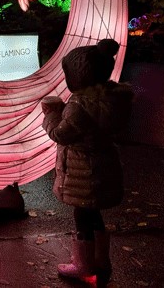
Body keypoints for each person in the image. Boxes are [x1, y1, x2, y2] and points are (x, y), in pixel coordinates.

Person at [41, 39, 134, 285]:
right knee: (94, 215)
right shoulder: (111, 99)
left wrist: (52, 114)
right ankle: (101, 261)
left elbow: (60, 134)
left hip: (83, 171)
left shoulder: (79, 106)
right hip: (104, 165)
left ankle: (83, 267)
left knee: (82, 215)